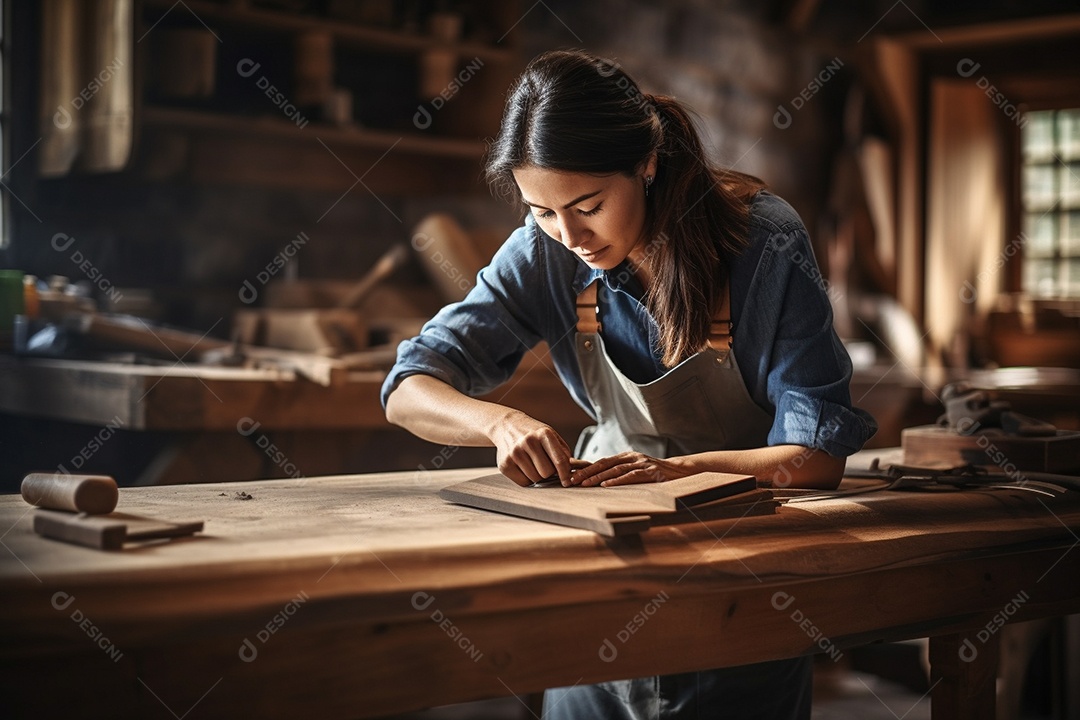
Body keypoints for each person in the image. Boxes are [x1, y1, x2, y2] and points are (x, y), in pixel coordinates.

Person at [383, 49, 877, 720]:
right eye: (542, 211)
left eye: (588, 205)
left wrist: (676, 473)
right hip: (599, 582)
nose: (570, 235)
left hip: (737, 584)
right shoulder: (545, 250)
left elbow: (816, 460)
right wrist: (499, 423)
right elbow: (407, 386)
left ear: (645, 163)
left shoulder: (763, 243)